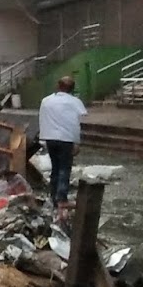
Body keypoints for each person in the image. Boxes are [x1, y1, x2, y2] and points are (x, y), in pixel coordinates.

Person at [38, 76, 87, 208]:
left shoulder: (46, 101)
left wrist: (43, 137)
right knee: (64, 169)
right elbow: (76, 123)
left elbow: (42, 119)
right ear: (72, 88)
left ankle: (54, 197)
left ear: (58, 86)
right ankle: (62, 199)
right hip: (66, 139)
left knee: (55, 168)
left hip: (50, 138)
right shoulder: (75, 102)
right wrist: (77, 142)